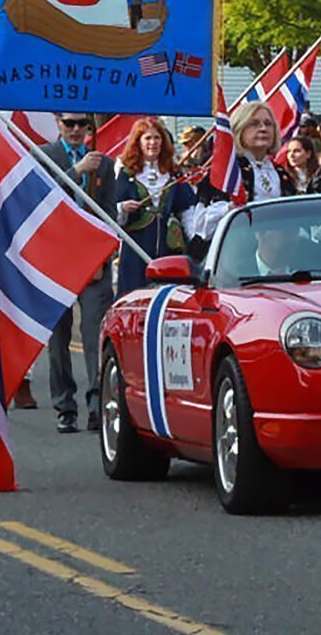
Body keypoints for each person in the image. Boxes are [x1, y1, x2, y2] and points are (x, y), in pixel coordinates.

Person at [40, 112, 115, 434]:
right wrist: (76, 171)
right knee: (58, 337)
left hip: (92, 259)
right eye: (69, 123)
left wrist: (105, 254)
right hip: (56, 258)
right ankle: (64, 405)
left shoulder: (104, 163)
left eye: (81, 124)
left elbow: (109, 213)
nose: (75, 130)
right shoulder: (44, 155)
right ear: (58, 123)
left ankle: (97, 402)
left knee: (95, 332)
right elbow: (40, 198)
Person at [116, 117, 196, 297]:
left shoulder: (173, 172)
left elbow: (187, 209)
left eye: (157, 138)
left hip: (167, 246)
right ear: (138, 142)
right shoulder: (127, 172)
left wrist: (193, 237)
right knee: (135, 293)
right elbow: (112, 208)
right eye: (147, 138)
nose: (153, 143)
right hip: (137, 245)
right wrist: (123, 207)